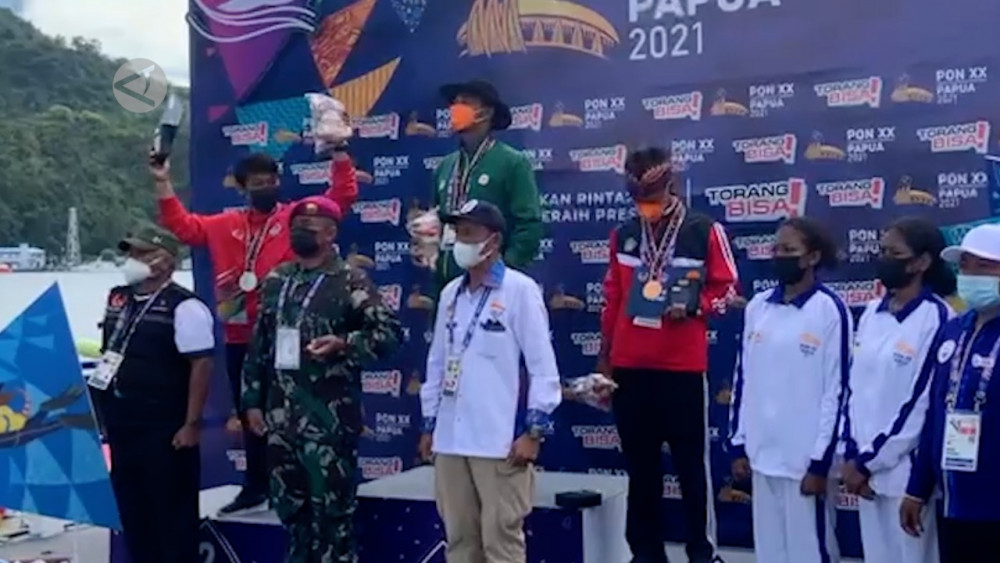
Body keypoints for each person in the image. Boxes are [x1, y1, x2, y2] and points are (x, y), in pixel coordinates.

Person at [152, 150, 358, 515]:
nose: (267, 188)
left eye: (271, 182)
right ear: (242, 188)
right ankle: (256, 486)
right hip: (240, 334)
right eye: (258, 184)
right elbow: (182, 226)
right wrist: (162, 181)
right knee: (252, 413)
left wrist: (340, 156)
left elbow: (340, 197)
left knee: (293, 410)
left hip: (288, 332)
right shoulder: (224, 223)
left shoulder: (294, 219)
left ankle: (298, 486)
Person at [241, 196, 402, 563]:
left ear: (330, 234)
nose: (300, 233)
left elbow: (389, 334)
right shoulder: (278, 279)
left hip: (328, 421)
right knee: (291, 513)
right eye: (296, 227)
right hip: (281, 420)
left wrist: (344, 344)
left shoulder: (349, 280)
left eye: (309, 228)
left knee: (332, 519)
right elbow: (259, 344)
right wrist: (251, 401)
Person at [600, 147, 739, 563]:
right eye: (638, 199)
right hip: (629, 368)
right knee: (641, 471)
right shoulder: (624, 233)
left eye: (652, 197)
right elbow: (613, 298)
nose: (646, 206)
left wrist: (695, 306)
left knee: (691, 468)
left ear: (671, 185)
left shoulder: (703, 230)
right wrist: (605, 359)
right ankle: (646, 555)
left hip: (681, 369)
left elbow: (728, 289)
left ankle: (702, 553)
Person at [419, 199, 562, 563]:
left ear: (493, 241)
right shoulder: (451, 293)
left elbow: (543, 367)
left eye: (469, 233)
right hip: (451, 440)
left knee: (501, 543)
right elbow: (437, 362)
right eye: (457, 233)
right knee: (460, 542)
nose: (460, 241)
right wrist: (429, 424)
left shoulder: (519, 290)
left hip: (499, 441)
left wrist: (533, 432)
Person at [728, 217, 852, 563]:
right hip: (762, 456)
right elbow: (743, 378)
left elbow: (837, 390)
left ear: (812, 257)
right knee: (771, 553)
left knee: (810, 552)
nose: (780, 255)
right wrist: (739, 443)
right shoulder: (758, 307)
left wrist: (821, 462)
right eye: (776, 249)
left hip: (804, 460)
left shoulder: (830, 310)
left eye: (789, 249)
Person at [90, 225, 215, 563]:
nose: (133, 260)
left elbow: (201, 365)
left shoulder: (185, 306)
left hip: (164, 426)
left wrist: (191, 423)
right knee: (132, 511)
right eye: (131, 253)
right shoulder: (118, 297)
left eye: (143, 254)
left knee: (170, 514)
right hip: (122, 422)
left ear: (165, 261)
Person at [840, 217, 954, 563]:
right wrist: (853, 455)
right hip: (864, 473)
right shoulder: (872, 313)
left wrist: (869, 461)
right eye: (882, 251)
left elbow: (921, 403)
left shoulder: (938, 317)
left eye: (894, 253)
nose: (884, 259)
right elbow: (854, 390)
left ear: (922, 262)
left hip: (906, 476)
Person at [901, 224, 1000, 560]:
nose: (970, 275)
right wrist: (917, 489)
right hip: (954, 501)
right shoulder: (953, 329)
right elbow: (935, 415)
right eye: (965, 266)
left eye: (983, 266)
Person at [430, 79, 543, 297]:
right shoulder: (445, 166)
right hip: (447, 284)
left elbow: (529, 225)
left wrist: (504, 271)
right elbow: (437, 220)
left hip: (493, 285)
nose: (455, 108)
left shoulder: (512, 162)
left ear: (486, 112)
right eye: (454, 103)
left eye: (465, 102)